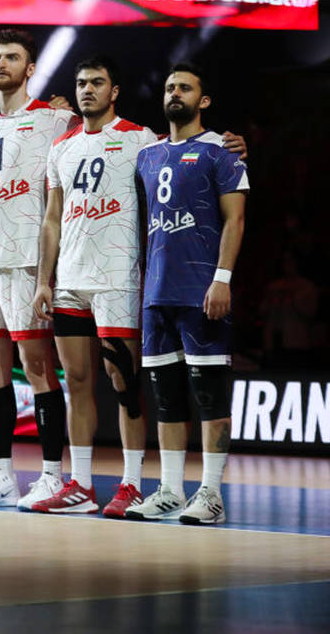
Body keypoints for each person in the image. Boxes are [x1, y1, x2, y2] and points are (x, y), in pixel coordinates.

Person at [30, 57, 156, 515]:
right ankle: (81, 485)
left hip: (117, 280)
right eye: (82, 83)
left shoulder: (140, 138)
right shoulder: (61, 147)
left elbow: (182, 154)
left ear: (114, 91)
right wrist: (44, 280)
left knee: (124, 382)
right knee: (77, 384)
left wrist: (226, 142)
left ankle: (132, 484)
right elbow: (51, 219)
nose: (87, 90)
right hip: (70, 281)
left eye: (97, 83)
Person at [127, 63, 248, 525]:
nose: (174, 93)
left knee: (210, 396)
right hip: (156, 293)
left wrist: (223, 278)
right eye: (169, 87)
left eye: (185, 88)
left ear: (204, 100)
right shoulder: (147, 154)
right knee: (167, 400)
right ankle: (171, 491)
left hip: (202, 291)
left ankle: (211, 493)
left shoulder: (223, 151)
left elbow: (235, 220)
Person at [0, 29, 76, 509]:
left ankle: (51, 475)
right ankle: (3, 476)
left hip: (27, 261)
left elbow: (110, 136)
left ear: (30, 69)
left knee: (37, 367)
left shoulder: (56, 119)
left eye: (11, 57)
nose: (1, 64)